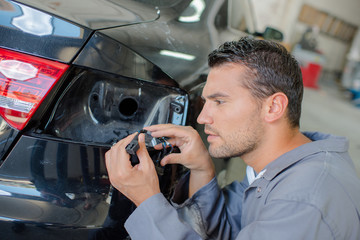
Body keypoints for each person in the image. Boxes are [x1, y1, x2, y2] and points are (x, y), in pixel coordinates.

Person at [105, 37, 360, 239]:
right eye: (206, 102)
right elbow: (227, 230)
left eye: (219, 101)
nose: (203, 118)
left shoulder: (302, 205)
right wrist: (202, 168)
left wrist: (147, 201)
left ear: (273, 107)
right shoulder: (279, 166)